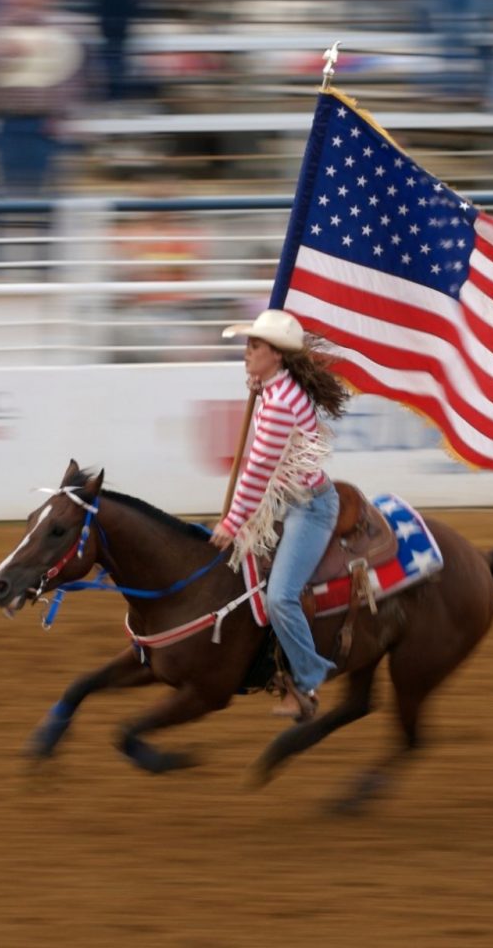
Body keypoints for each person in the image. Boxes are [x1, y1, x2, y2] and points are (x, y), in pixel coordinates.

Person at [209, 309, 351, 723]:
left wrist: (233, 522)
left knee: (281, 597)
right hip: (288, 500)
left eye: (254, 346)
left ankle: (307, 680)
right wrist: (257, 384)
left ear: (276, 355)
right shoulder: (277, 389)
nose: (246, 353)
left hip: (309, 507)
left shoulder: (279, 405)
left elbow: (256, 472)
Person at [0, 0, 89, 196]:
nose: (24, 2)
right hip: (0, 121)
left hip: (49, 123)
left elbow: (81, 77)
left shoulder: (68, 28)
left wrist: (69, 115)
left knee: (50, 196)